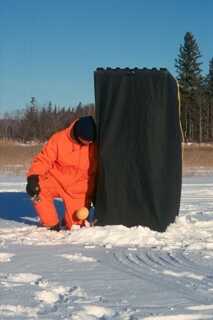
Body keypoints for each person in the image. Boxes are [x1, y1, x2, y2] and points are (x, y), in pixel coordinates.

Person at [26, 116, 97, 231]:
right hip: (56, 181)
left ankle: (68, 219)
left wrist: (92, 193)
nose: (89, 143)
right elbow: (44, 159)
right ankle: (52, 224)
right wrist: (33, 177)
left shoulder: (95, 145)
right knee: (38, 190)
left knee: (75, 226)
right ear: (78, 135)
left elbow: (94, 173)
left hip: (77, 190)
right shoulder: (59, 139)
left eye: (91, 141)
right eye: (86, 141)